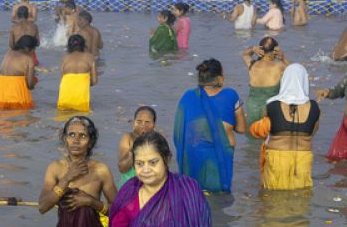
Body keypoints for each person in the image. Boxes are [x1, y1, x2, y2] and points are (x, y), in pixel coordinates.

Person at [38, 116, 116, 227]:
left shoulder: (101, 170)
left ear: (91, 141)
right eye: (71, 134)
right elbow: (43, 206)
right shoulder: (56, 169)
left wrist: (91, 202)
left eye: (82, 136)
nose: (76, 140)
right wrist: (66, 179)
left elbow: (119, 211)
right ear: (64, 138)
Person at [173, 58, 246, 192]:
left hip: (194, 159)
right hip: (220, 159)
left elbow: (178, 133)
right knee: (219, 200)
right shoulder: (231, 95)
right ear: (219, 79)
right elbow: (241, 129)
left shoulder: (188, 97)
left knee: (195, 197)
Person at [252, 63, 319, 190]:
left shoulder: (271, 105)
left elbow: (264, 131)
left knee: (273, 200)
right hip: (302, 159)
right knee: (300, 201)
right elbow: (313, 132)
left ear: (284, 81)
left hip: (277, 158)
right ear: (304, 81)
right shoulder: (314, 107)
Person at [241, 36, 288, 123]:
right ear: (276, 50)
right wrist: (283, 57)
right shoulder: (280, 66)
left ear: (260, 49)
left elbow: (245, 54)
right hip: (271, 111)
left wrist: (252, 48)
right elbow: (296, 71)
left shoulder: (252, 65)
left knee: (254, 135)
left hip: (253, 111)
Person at [0, 35, 38, 109]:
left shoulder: (9, 53)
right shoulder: (28, 59)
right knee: (20, 115)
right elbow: (30, 86)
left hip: (0, 87)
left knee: (2, 115)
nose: (34, 51)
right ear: (27, 48)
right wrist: (34, 80)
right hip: (15, 88)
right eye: (34, 49)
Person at [117, 106, 158, 185]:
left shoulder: (158, 141)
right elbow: (122, 168)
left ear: (154, 126)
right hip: (128, 186)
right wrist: (136, 148)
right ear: (133, 124)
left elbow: (162, 170)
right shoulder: (127, 138)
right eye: (139, 121)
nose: (143, 125)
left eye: (147, 122)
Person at [57, 34, 97, 111]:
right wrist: (84, 81)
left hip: (65, 92)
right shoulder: (90, 57)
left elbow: (63, 78)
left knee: (63, 116)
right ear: (83, 45)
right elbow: (94, 81)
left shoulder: (65, 58)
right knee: (84, 114)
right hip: (81, 95)